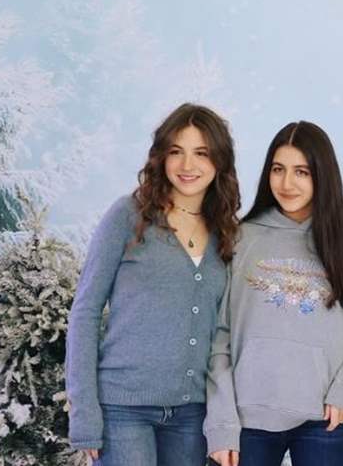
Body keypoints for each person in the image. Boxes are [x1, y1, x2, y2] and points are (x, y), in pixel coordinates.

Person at [66, 103, 241, 465]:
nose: (187, 165)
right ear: (161, 156)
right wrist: (84, 411)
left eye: (201, 153)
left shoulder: (226, 231)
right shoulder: (128, 215)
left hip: (193, 415)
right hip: (122, 411)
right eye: (176, 151)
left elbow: (226, 331)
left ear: (220, 161)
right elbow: (85, 311)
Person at [204, 121, 343, 466]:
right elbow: (218, 338)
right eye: (278, 169)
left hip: (323, 419)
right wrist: (221, 424)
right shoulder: (240, 239)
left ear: (323, 176)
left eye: (302, 172)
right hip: (247, 421)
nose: (286, 183)